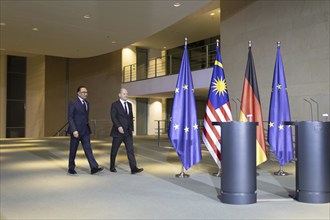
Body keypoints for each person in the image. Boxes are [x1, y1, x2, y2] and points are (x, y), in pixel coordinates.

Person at [67, 86, 103, 175]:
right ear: (78, 93)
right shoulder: (73, 102)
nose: (85, 94)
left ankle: (94, 167)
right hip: (76, 131)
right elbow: (70, 118)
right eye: (83, 92)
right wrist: (74, 130)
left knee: (88, 149)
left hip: (85, 130)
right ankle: (71, 168)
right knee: (73, 150)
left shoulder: (87, 103)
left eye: (86, 92)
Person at [110, 88, 143, 174]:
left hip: (128, 132)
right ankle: (112, 166)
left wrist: (132, 129)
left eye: (127, 94)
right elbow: (114, 117)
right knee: (114, 150)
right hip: (118, 132)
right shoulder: (115, 105)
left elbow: (130, 118)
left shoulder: (129, 104)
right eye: (124, 94)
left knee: (130, 150)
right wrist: (118, 126)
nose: (126, 95)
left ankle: (133, 168)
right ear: (119, 95)